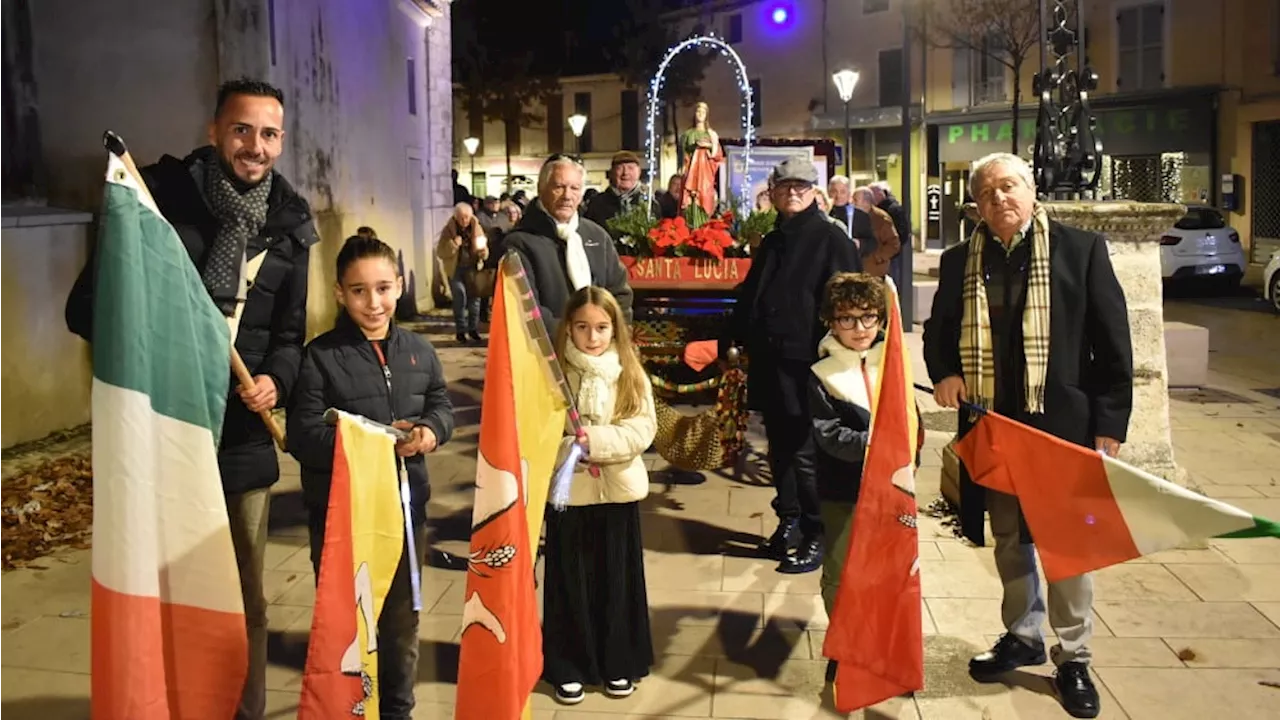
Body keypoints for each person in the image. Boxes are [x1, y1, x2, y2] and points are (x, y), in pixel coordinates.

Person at [64, 77, 315, 720]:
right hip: (166, 428)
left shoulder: (290, 225)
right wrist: (162, 339)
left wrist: (277, 381)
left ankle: (244, 709)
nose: (254, 146)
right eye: (241, 130)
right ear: (213, 131)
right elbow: (87, 307)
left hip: (241, 435)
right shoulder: (157, 200)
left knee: (246, 597)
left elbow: (290, 337)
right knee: (163, 585)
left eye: (268, 134)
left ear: (281, 142)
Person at [922, 152, 1133, 720]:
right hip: (994, 425)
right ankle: (1022, 634)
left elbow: (1114, 343)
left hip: (1062, 425)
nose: (999, 200)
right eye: (987, 192)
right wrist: (944, 371)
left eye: (1009, 187)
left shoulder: (1080, 251)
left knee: (1067, 547)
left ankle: (1074, 656)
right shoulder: (959, 260)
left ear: (1032, 190)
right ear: (977, 204)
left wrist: (1110, 425)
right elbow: (938, 331)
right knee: (1010, 539)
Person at [287, 235, 454, 720]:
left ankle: (398, 711)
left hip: (405, 515)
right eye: (359, 291)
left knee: (401, 628)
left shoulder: (419, 351)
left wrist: (428, 432)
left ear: (399, 287)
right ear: (340, 293)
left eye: (383, 288)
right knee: (351, 626)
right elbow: (303, 435)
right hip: (343, 519)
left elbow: (441, 404)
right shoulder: (319, 357)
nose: (373, 302)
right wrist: (373, 443)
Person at [720, 155, 862, 574]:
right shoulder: (774, 239)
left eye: (801, 186)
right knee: (780, 448)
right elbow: (753, 296)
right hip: (772, 361)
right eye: (785, 187)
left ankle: (818, 533)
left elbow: (848, 306)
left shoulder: (830, 238)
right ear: (774, 193)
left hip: (809, 366)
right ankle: (789, 522)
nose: (793, 192)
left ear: (815, 191)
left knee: (807, 453)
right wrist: (731, 337)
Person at [543, 286, 656, 706]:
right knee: (571, 579)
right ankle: (568, 663)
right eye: (583, 327)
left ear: (615, 329)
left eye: (602, 328)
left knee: (615, 578)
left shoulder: (628, 370)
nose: (593, 337)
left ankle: (617, 660)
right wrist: (569, 447)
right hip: (569, 494)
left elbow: (643, 428)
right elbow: (537, 432)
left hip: (616, 493)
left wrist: (596, 441)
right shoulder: (553, 375)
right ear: (568, 328)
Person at [502, 154, 634, 331]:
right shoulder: (520, 242)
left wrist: (614, 336)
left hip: (600, 349)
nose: (567, 196)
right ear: (541, 189)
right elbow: (526, 308)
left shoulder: (597, 236)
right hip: (547, 352)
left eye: (575, 188)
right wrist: (572, 340)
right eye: (559, 187)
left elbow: (619, 293)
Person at [435, 202, 488, 345]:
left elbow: (485, 250)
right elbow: (440, 252)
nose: (464, 221)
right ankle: (461, 331)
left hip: (473, 268)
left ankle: (473, 329)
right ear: (456, 217)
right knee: (460, 297)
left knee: (475, 301)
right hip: (456, 269)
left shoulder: (476, 228)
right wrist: (453, 244)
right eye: (461, 217)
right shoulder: (448, 230)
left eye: (466, 217)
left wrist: (483, 253)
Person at [584, 151, 662, 230]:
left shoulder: (650, 204)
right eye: (620, 168)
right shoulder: (597, 204)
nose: (625, 173)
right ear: (611, 173)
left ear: (639, 172)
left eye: (630, 168)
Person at [679, 101, 723, 216]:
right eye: (698, 111)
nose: (700, 114)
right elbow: (683, 153)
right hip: (691, 170)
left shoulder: (711, 134)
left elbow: (718, 154)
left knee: (704, 195)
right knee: (690, 198)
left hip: (705, 171)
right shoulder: (687, 134)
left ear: (706, 115)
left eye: (703, 112)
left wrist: (707, 146)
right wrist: (683, 165)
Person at [852, 186, 901, 278]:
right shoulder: (853, 217)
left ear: (866, 202)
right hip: (857, 271)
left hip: (874, 273)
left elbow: (894, 244)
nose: (852, 203)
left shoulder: (881, 218)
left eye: (855, 200)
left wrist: (877, 257)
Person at [869, 181, 910, 281]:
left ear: (879, 194)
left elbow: (902, 234)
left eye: (870, 195)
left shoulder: (892, 209)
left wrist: (884, 254)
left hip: (890, 257)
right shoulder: (877, 210)